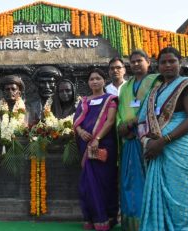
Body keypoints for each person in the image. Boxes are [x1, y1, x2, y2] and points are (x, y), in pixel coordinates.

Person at [137, 47, 188, 230]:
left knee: (183, 195)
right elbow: (142, 121)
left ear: (179, 63)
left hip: (181, 146)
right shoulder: (154, 93)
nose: (167, 65)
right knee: (161, 195)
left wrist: (163, 141)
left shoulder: (187, 85)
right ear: (157, 66)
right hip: (157, 148)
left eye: (172, 61)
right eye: (163, 62)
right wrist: (148, 142)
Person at [117, 49, 158, 230]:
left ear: (148, 62)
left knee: (149, 181)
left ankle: (148, 223)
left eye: (139, 61)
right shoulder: (125, 87)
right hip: (128, 140)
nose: (135, 64)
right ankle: (131, 223)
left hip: (149, 139)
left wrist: (135, 122)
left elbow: (157, 107)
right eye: (132, 62)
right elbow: (119, 112)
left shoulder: (156, 81)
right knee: (129, 181)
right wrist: (122, 127)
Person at [73, 68, 118, 231]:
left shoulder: (110, 99)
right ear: (88, 82)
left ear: (104, 81)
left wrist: (97, 139)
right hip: (86, 145)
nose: (95, 81)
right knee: (88, 184)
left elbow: (110, 121)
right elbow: (76, 121)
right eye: (92, 79)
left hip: (104, 145)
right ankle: (91, 218)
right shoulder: (84, 101)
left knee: (104, 182)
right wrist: (81, 131)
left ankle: (107, 218)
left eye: (98, 78)